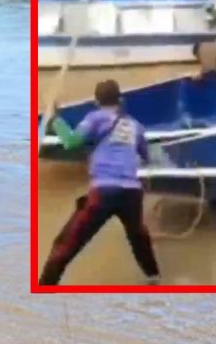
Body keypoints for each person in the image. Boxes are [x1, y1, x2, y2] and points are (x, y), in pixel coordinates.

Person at [38, 79, 160, 286]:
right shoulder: (135, 125)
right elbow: (146, 157)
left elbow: (71, 142)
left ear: (96, 101)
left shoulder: (95, 119)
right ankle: (155, 278)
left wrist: (54, 118)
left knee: (64, 245)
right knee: (139, 237)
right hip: (131, 193)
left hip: (103, 192)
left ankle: (44, 288)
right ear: (120, 100)